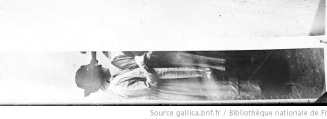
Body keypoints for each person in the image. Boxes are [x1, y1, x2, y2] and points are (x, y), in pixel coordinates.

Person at [75, 51, 261, 101]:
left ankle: (257, 85)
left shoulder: (117, 78)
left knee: (215, 81)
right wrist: (143, 65)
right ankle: (262, 89)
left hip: (174, 79)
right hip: (174, 86)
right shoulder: (119, 87)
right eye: (95, 67)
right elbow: (150, 85)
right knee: (217, 87)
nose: (98, 64)